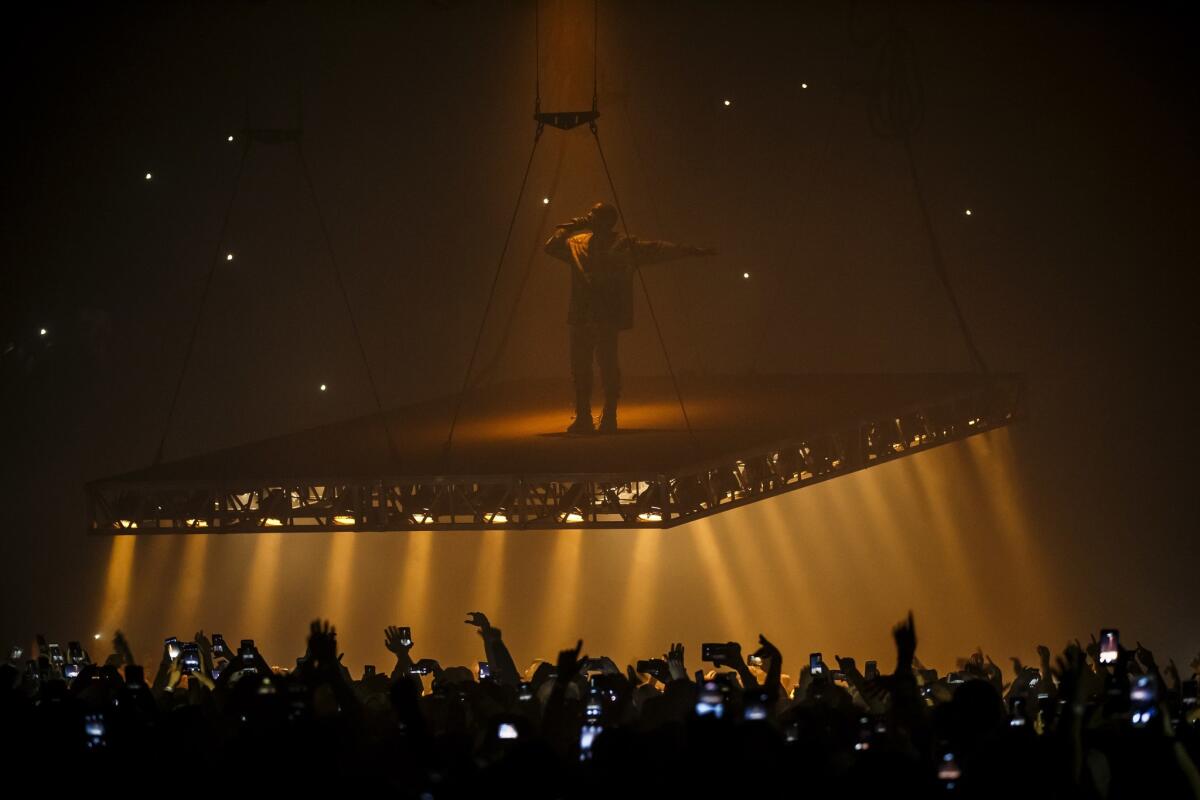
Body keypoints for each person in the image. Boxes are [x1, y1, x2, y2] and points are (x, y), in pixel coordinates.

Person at [543, 201, 717, 434]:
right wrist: (571, 227)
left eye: (593, 213)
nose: (588, 216)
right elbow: (551, 246)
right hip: (581, 314)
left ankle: (610, 415)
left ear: (606, 220)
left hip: (606, 314)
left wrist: (690, 250)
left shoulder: (624, 245)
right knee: (580, 367)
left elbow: (657, 249)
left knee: (607, 364)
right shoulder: (577, 242)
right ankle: (583, 416)